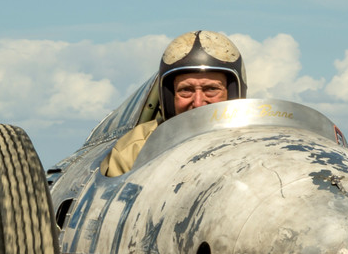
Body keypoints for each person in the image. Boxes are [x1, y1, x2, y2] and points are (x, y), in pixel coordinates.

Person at [100, 30, 246, 176]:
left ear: (232, 93)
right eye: (186, 90)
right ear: (169, 97)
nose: (198, 103)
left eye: (211, 89)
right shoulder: (135, 151)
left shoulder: (254, 141)